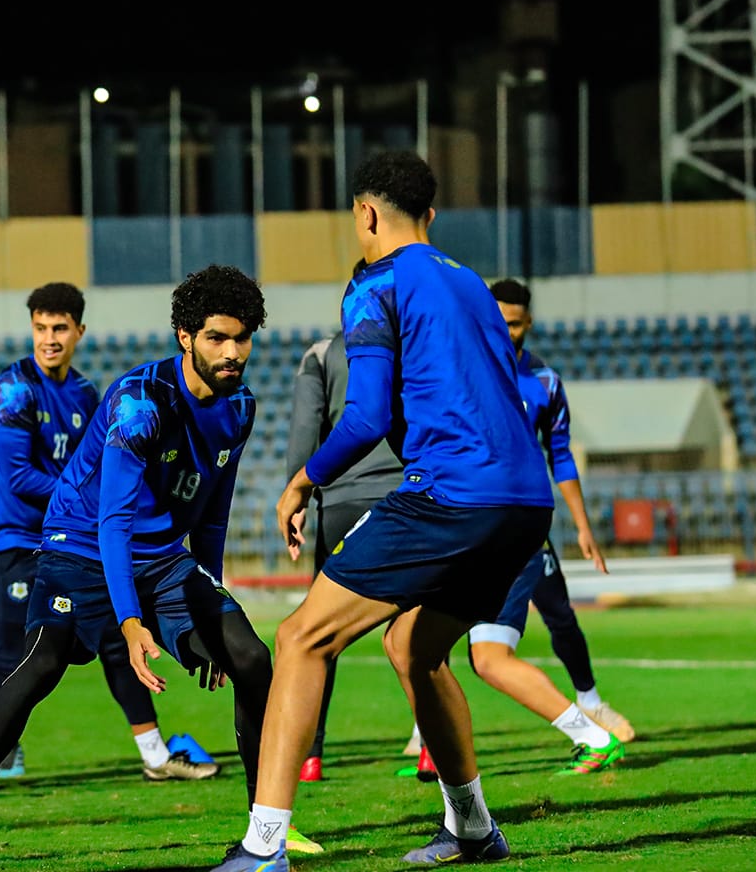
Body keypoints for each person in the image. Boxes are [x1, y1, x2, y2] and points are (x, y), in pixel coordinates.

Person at [213, 150, 555, 871]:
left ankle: (263, 845)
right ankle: (473, 829)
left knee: (302, 637)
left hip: (451, 493)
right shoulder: (470, 284)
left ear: (366, 213)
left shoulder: (376, 282)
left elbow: (366, 415)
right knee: (414, 649)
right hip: (525, 501)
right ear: (430, 213)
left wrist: (303, 481)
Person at [0, 265, 324, 852]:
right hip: (79, 545)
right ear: (185, 336)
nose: (232, 353)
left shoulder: (241, 407)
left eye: (242, 338)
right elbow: (113, 520)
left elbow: (214, 514)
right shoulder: (139, 402)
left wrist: (210, 599)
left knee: (250, 658)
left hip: (163, 560)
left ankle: (266, 830)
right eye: (217, 338)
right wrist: (129, 621)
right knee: (42, 662)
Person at [0, 282, 219, 784]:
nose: (49, 338)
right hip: (16, 542)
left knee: (119, 640)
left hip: (74, 544)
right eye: (40, 328)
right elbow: (15, 476)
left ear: (79, 331)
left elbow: (96, 467)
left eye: (59, 328)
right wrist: (91, 502)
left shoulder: (83, 393)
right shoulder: (13, 390)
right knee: (12, 660)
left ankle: (155, 754)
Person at [467, 278, 635, 753]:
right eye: (500, 321)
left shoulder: (545, 382)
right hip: (476, 523)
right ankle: (427, 732)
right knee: (442, 631)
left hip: (524, 525)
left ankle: (591, 703)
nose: (508, 332)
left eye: (516, 324)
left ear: (529, 323)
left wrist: (582, 525)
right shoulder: (466, 372)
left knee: (559, 615)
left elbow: (559, 455)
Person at [283, 298, 404, 783]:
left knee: (317, 635)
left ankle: (310, 754)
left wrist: (296, 494)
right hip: (406, 501)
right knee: (416, 633)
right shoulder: (409, 345)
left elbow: (304, 430)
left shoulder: (321, 354)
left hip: (342, 502)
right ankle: (429, 748)